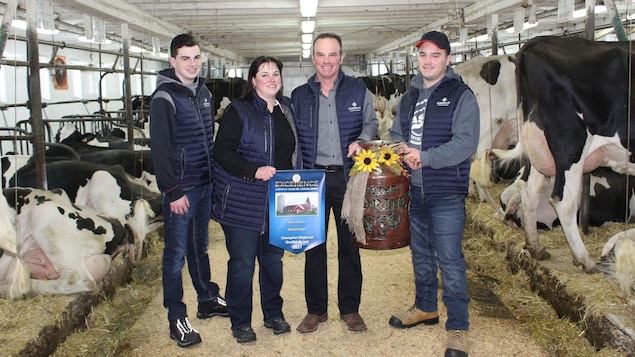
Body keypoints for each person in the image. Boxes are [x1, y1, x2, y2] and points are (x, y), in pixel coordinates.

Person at [387, 31, 479, 357]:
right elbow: (397, 131)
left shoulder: (461, 95)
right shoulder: (410, 96)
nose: (428, 61)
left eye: (435, 55)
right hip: (414, 190)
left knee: (450, 259)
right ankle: (426, 306)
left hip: (446, 191)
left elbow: (465, 143)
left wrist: (425, 157)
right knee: (421, 253)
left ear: (448, 59)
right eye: (423, 55)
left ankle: (458, 326)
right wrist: (398, 150)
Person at [291, 33, 378, 333]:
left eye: (332, 55)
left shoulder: (358, 90)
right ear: (312, 57)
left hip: (348, 177)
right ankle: (316, 310)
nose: (326, 61)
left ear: (342, 57)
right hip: (311, 178)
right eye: (320, 55)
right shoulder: (300, 95)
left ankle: (350, 309)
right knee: (313, 245)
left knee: (349, 246)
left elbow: (371, 122)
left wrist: (362, 140)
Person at [211, 56, 300, 343]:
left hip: (278, 200)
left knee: (273, 261)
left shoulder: (287, 111)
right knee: (242, 263)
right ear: (253, 80)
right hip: (243, 200)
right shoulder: (238, 112)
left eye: (275, 73)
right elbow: (222, 153)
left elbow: (292, 153)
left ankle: (273, 313)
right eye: (264, 74)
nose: (271, 78)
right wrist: (253, 171)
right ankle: (240, 321)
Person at [149, 33, 228, 348]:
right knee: (174, 255)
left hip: (204, 184)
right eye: (185, 58)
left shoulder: (204, 93)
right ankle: (176, 317)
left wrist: (213, 179)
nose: (192, 63)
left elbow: (207, 139)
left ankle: (207, 298)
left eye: (196, 57)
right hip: (181, 189)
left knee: (200, 246)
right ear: (172, 61)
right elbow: (161, 150)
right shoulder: (164, 98)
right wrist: (172, 190)